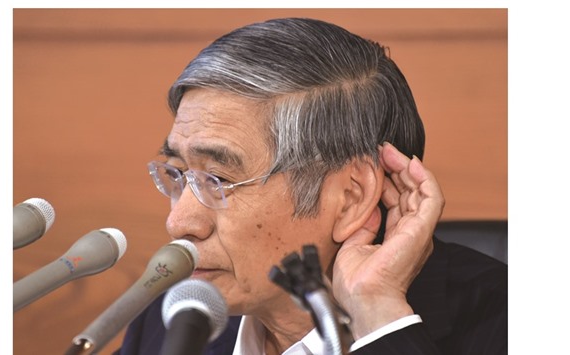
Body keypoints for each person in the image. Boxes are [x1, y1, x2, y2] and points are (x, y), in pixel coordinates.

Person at [117, 17, 507, 354]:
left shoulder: (509, 326)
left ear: (350, 199)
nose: (179, 223)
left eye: (218, 179)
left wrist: (379, 314)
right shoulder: (179, 323)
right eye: (179, 174)